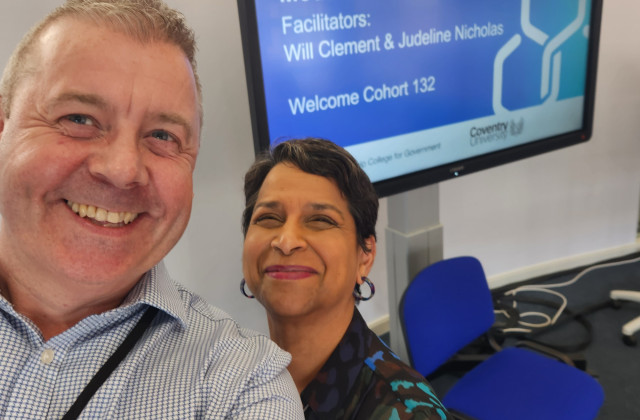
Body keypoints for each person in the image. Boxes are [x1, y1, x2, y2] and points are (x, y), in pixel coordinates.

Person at [0, 1, 303, 418]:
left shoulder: (244, 386)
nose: (123, 170)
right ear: (3, 127)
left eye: (163, 135)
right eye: (80, 118)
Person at [241, 138, 450, 419]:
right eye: (268, 218)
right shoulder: (236, 375)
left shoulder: (406, 412)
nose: (286, 241)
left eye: (320, 220)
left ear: (364, 256)